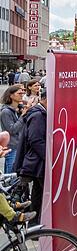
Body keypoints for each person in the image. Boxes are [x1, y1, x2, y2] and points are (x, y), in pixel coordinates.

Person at [12, 89, 47, 224]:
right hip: (36, 162)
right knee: (38, 194)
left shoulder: (38, 113)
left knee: (38, 193)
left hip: (35, 161)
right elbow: (36, 140)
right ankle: (34, 223)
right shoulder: (38, 115)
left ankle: (35, 223)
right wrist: (49, 158)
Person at [0, 85, 30, 173]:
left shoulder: (18, 109)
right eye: (19, 93)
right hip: (12, 147)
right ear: (11, 95)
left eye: (23, 92)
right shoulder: (6, 112)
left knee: (12, 173)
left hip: (19, 145)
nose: (22, 95)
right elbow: (12, 130)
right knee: (11, 174)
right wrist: (22, 116)